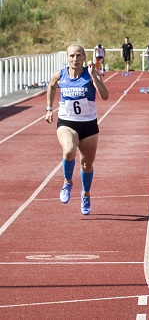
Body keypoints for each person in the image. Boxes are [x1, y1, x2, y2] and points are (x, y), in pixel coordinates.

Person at [44, 44, 110, 215]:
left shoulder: (90, 75)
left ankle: (85, 194)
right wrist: (49, 109)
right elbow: (51, 86)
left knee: (87, 164)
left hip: (88, 125)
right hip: (67, 123)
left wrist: (95, 76)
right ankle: (67, 182)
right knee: (69, 151)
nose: (75, 59)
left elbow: (105, 95)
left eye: (79, 55)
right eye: (72, 55)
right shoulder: (61, 74)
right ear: (67, 57)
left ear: (84, 57)